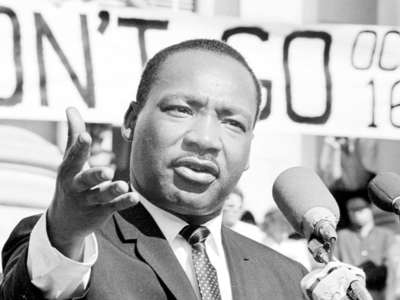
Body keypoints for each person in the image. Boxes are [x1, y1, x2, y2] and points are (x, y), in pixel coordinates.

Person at [1, 39, 366, 300]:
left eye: (233, 123)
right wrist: (64, 236)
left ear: (250, 147)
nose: (205, 139)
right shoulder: (71, 244)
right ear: (131, 121)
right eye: (181, 109)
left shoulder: (288, 278)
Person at [335, 193, 394, 300]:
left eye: (361, 210)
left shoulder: (386, 235)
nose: (357, 214)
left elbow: (392, 268)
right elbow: (333, 265)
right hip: (351, 292)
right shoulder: (342, 236)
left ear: (369, 210)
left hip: (380, 291)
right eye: (353, 211)